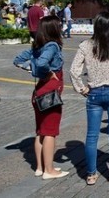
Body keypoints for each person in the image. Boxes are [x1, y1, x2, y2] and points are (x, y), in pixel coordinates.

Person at [70, 12, 109, 187]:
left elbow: (74, 70)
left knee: (92, 136)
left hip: (95, 92)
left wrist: (81, 88)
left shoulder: (85, 45)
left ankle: (91, 175)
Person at [13, 17, 68, 179]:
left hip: (38, 92)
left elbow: (17, 60)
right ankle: (49, 170)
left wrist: (31, 67)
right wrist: (48, 73)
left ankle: (40, 167)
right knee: (50, 131)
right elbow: (43, 63)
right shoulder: (52, 46)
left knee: (41, 132)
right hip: (50, 93)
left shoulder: (38, 45)